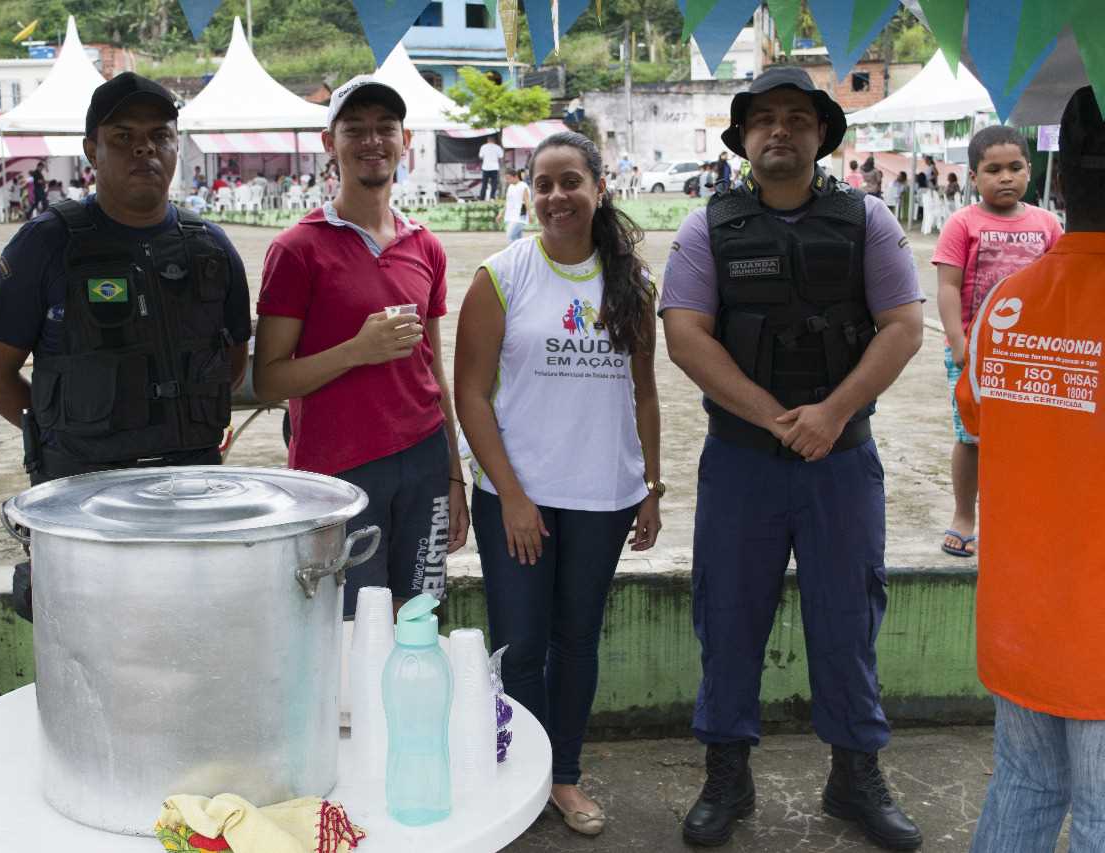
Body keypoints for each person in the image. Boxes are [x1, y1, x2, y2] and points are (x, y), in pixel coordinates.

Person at [661, 66, 925, 850]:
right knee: (730, 613)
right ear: (743, 137)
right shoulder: (705, 226)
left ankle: (855, 774)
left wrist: (832, 414)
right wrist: (778, 419)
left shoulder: (867, 220)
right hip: (742, 459)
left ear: (821, 135)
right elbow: (685, 335)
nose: (780, 130)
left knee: (847, 614)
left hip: (840, 461)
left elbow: (904, 326)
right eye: (764, 118)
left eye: (797, 118)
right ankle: (727, 773)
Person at [0, 73, 251, 618]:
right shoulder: (45, 244)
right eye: (122, 135)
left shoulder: (211, 248)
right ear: (90, 150)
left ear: (176, 146)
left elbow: (232, 365)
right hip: (82, 498)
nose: (144, 147)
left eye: (160, 134)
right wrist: (63, 427)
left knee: (193, 632)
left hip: (188, 492)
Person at [455, 131, 662, 837]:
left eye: (570, 180)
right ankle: (520, 776)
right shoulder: (500, 276)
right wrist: (511, 493)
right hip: (520, 498)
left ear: (600, 187)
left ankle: (563, 775)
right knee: (521, 643)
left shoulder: (632, 283)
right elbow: (471, 395)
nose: (555, 197)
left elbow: (645, 395)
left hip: (602, 498)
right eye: (542, 184)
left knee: (577, 641)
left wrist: (651, 487)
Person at [253, 75, 468, 618]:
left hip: (422, 459)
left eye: (384, 128)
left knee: (419, 614)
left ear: (405, 140)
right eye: (355, 129)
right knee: (349, 622)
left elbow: (433, 372)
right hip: (337, 470)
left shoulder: (426, 245)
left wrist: (453, 473)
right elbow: (270, 378)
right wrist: (356, 350)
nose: (372, 140)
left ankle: (406, 705)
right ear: (331, 143)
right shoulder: (297, 249)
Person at [957, 85, 1105, 853]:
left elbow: (977, 421)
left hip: (1020, 620)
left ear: (1058, 180)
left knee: (1024, 784)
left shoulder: (1005, 305)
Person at [931, 125, 1061, 560]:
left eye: (1015, 167)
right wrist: (957, 342)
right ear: (973, 177)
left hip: (1028, 358)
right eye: (993, 169)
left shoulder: (1047, 225)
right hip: (972, 355)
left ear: (1029, 170)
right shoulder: (962, 224)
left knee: (1026, 441)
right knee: (971, 438)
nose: (1005, 177)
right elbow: (947, 287)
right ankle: (964, 517)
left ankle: (1018, 517)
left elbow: (1059, 286)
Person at [496, 167, 530, 242]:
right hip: (510, 216)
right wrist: (501, 214)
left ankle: (515, 253)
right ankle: (521, 253)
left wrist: (529, 215)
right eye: (506, 178)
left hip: (520, 216)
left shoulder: (523, 186)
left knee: (510, 236)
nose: (507, 181)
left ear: (515, 176)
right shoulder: (510, 187)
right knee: (518, 239)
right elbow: (508, 202)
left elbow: (526, 201)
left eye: (508, 178)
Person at [478, 134, 504, 201]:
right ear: (494, 141)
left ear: (488, 140)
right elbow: (501, 156)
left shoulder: (483, 147)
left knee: (484, 184)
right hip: (494, 167)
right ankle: (492, 197)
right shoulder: (498, 147)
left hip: (485, 167)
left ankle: (482, 198)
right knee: (494, 184)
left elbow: (480, 156)